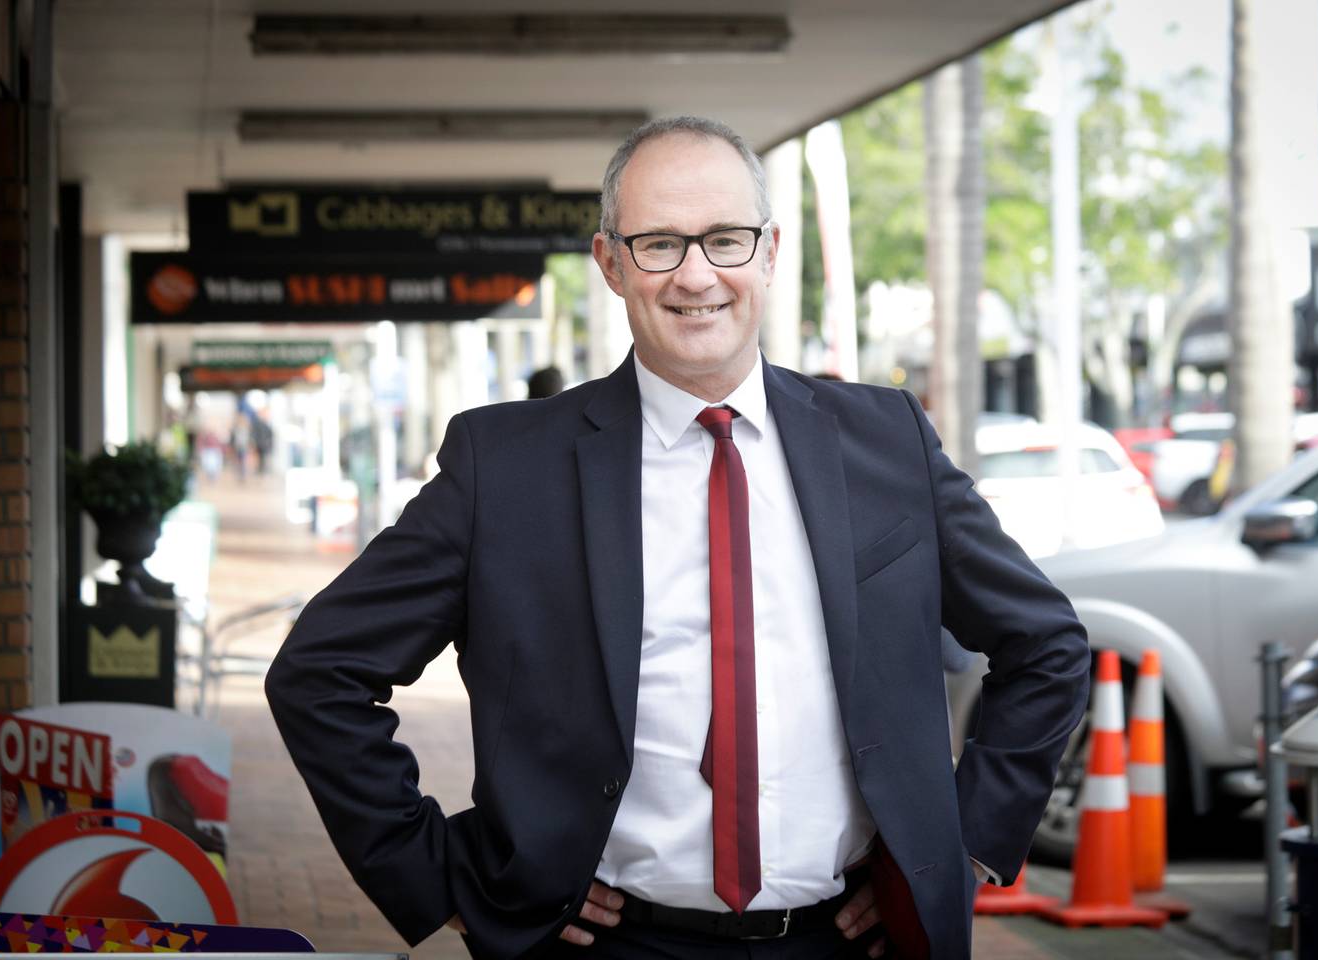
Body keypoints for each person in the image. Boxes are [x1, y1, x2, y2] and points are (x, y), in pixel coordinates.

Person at [266, 117, 1089, 960]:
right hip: (606, 946)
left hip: (845, 944)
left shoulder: (887, 442)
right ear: (611, 263)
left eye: (726, 240)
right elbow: (319, 674)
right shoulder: (505, 468)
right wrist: (435, 875)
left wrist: (959, 848)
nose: (697, 276)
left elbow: (1047, 643)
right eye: (659, 244)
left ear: (769, 252)